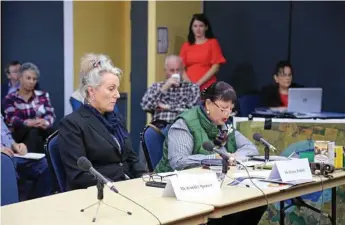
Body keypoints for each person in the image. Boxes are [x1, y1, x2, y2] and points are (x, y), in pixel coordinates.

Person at [155, 81, 265, 225]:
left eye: (231, 109)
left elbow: (250, 148)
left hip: (213, 186)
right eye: (223, 108)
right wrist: (215, 158)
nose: (227, 114)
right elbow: (178, 161)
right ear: (208, 104)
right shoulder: (185, 124)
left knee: (257, 203)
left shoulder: (224, 125)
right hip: (177, 190)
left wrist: (234, 157)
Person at [58, 54, 146, 190]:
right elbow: (79, 175)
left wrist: (145, 179)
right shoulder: (72, 124)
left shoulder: (116, 119)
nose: (117, 94)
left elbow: (131, 159)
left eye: (117, 89)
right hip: (99, 193)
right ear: (91, 91)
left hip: (127, 187)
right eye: (111, 89)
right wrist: (121, 183)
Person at [3, 62, 56, 153]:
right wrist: (28, 123)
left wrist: (45, 122)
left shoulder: (43, 95)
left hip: (41, 131)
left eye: (34, 79)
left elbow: (50, 114)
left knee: (51, 133)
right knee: (33, 132)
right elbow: (11, 119)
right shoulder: (10, 98)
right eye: (28, 78)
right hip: (20, 134)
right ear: (20, 78)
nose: (32, 82)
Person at [1, 116, 52, 200]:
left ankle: (35, 203)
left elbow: (6, 134)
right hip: (3, 158)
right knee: (7, 164)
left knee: (46, 165)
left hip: (12, 154)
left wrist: (16, 145)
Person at [141, 55, 200, 125]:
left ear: (183, 70)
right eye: (172, 70)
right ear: (165, 71)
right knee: (149, 133)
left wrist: (167, 107)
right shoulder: (156, 87)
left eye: (178, 70)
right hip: (160, 127)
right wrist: (164, 88)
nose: (175, 73)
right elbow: (146, 106)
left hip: (183, 127)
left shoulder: (192, 88)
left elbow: (193, 112)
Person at [180, 13, 226, 91]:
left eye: (201, 26)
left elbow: (215, 67)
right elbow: (181, 68)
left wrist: (198, 84)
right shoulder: (186, 45)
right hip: (189, 87)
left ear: (206, 27)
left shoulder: (213, 43)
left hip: (208, 86)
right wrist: (191, 85)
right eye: (195, 26)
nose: (198, 29)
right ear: (191, 28)